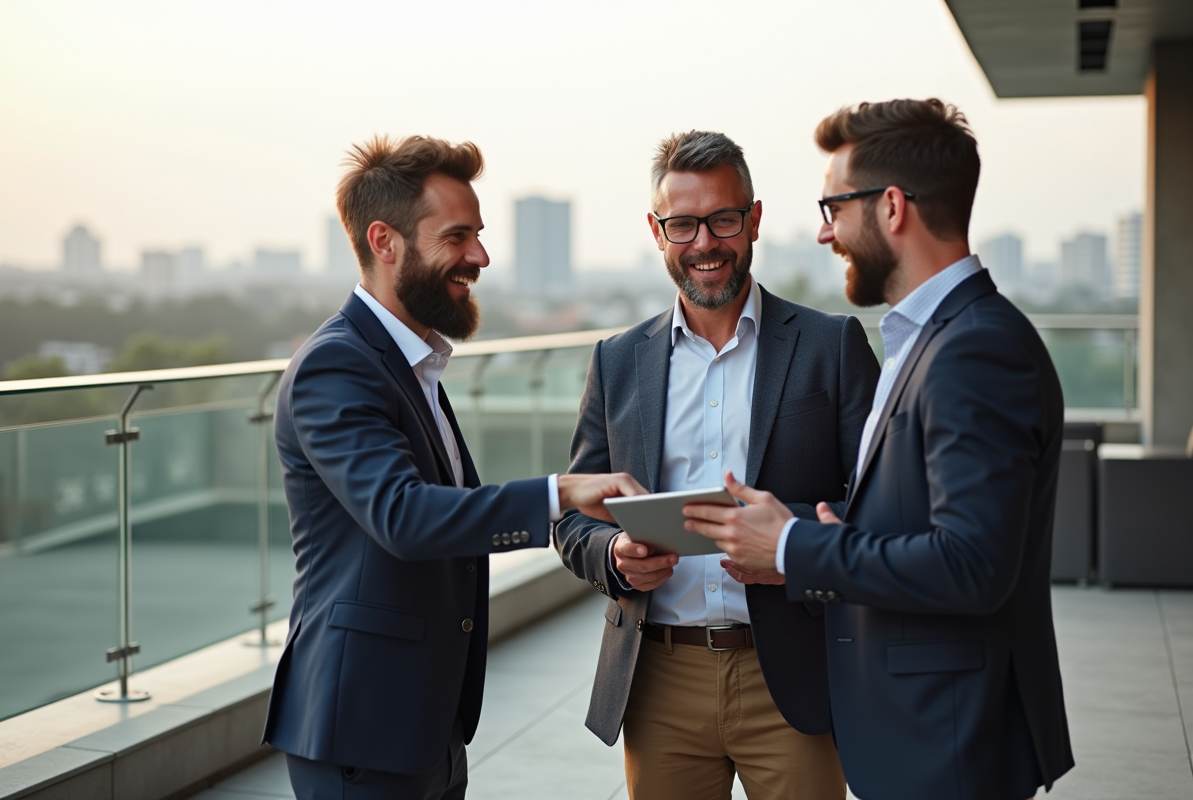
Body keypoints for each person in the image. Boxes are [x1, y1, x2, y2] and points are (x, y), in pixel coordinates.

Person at [685, 100, 1074, 800]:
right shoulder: (927, 338)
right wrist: (823, 536)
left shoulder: (974, 349)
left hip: (948, 740)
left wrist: (793, 549)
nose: (823, 231)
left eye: (835, 206)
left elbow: (972, 565)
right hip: (925, 732)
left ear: (892, 206)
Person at [261, 135, 644, 800]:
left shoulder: (412, 364)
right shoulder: (338, 364)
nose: (480, 256)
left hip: (421, 719)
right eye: (458, 236)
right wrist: (561, 492)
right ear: (385, 242)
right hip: (362, 725)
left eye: (480, 234)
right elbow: (404, 517)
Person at [555, 130, 880, 800]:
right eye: (683, 224)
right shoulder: (617, 362)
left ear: (754, 219)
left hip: (791, 672)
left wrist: (788, 542)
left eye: (723, 219)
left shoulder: (831, 346)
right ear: (657, 230)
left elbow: (884, 509)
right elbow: (573, 521)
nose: (704, 243)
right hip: (658, 678)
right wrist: (614, 552)